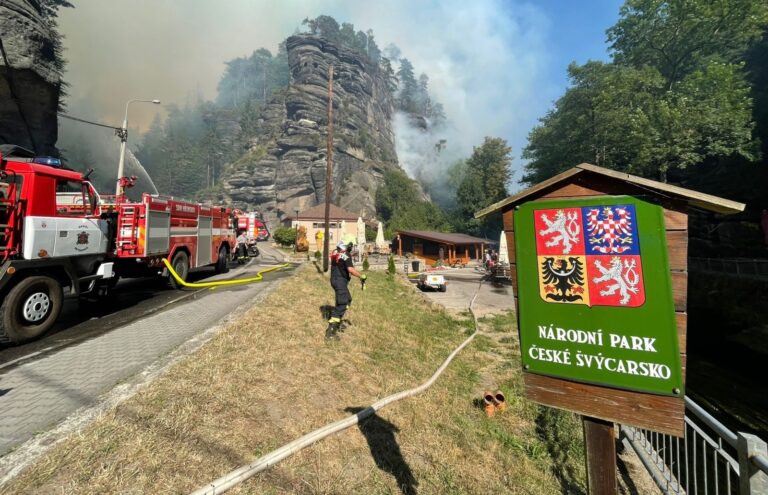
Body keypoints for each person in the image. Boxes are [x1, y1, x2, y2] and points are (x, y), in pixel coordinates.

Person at [326, 240, 366, 340]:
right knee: (342, 303)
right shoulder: (346, 254)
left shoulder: (335, 252)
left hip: (334, 279)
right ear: (346, 246)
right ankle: (330, 333)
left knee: (347, 299)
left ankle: (337, 323)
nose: (351, 248)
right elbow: (350, 270)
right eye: (350, 246)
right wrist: (361, 276)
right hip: (340, 281)